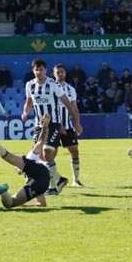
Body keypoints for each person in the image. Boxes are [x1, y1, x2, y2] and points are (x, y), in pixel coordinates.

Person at [22, 58, 83, 194]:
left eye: (41, 69)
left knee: (47, 152)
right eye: (36, 69)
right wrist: (25, 112)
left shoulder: (53, 84)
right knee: (40, 156)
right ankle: (56, 182)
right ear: (33, 70)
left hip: (53, 124)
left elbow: (68, 103)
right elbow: (29, 101)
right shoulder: (29, 85)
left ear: (45, 70)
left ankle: (59, 182)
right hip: (39, 125)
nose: (39, 72)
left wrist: (76, 122)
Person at [53, 64, 84, 186]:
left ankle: (76, 180)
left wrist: (77, 123)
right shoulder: (50, 87)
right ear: (54, 73)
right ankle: (53, 180)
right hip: (54, 126)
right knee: (51, 153)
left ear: (65, 73)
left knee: (74, 150)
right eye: (58, 72)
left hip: (67, 126)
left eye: (62, 72)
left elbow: (74, 108)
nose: (60, 74)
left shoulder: (70, 89)